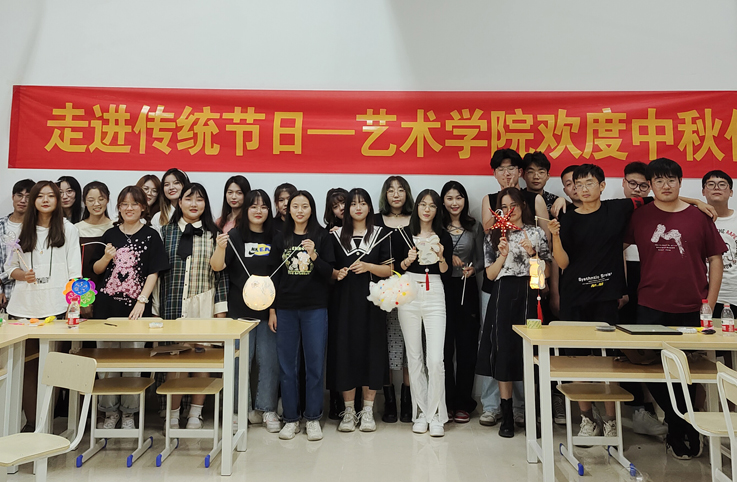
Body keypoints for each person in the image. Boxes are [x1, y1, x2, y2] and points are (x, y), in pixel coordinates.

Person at [625, 158, 726, 459]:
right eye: (659, 180)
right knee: (650, 368)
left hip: (692, 306)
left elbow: (716, 259)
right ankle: (679, 421)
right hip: (650, 305)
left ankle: (682, 426)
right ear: (650, 185)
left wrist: (709, 303)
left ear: (681, 182)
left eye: (671, 179)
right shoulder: (639, 216)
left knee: (687, 370)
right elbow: (613, 248)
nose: (666, 185)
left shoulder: (699, 217)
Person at [549, 164, 650, 439]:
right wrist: (555, 235)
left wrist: (696, 202)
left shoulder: (617, 208)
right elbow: (562, 263)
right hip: (574, 298)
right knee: (576, 360)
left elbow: (659, 199)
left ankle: (611, 420)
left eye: (589, 183)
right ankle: (587, 419)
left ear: (602, 185)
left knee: (608, 360)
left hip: (605, 298)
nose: (583, 189)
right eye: (578, 185)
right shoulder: (568, 218)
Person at [478, 149, 550, 428]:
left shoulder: (536, 233)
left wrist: (533, 255)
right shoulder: (493, 236)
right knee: (503, 350)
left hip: (530, 294)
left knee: (529, 351)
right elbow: (490, 274)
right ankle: (504, 413)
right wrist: (503, 254)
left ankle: (527, 410)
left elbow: (542, 275)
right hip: (502, 293)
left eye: (514, 204)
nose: (510, 210)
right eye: (504, 206)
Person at [5, 180, 81, 432]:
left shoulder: (68, 229)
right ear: (34, 201)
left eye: (51, 196)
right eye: (40, 196)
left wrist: (73, 306)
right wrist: (22, 275)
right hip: (23, 307)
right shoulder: (20, 230)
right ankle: (31, 423)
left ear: (58, 200)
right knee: (28, 366)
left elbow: (74, 270)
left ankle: (46, 422)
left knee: (53, 366)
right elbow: (9, 268)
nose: (46, 200)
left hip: (56, 306)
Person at [93, 185, 168, 429]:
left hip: (137, 309)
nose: (129, 208)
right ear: (118, 207)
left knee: (133, 362)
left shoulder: (151, 235)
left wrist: (142, 301)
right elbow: (97, 270)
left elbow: (154, 272)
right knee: (106, 362)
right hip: (106, 308)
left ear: (143, 207)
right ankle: (109, 412)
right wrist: (106, 257)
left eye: (134, 204)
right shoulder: (109, 234)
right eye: (124, 204)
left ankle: (128, 413)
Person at [159, 183, 228, 430]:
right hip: (173, 304)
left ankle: (195, 414)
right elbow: (157, 273)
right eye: (189, 199)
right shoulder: (165, 232)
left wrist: (221, 310)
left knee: (202, 361)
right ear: (179, 203)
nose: (194, 204)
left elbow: (221, 274)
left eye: (199, 200)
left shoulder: (214, 234)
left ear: (205, 204)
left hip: (204, 303)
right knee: (175, 361)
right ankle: (173, 414)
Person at [211, 189, 280, 433]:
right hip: (239, 310)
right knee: (239, 362)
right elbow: (217, 266)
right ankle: (236, 411)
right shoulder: (235, 235)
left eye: (264, 206)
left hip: (269, 312)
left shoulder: (277, 237)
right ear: (246, 209)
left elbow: (280, 276)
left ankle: (267, 409)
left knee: (269, 361)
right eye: (253, 206)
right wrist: (220, 248)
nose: (259, 211)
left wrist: (274, 310)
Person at [269, 190, 335, 441]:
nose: (299, 210)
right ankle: (291, 419)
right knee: (288, 366)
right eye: (294, 206)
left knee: (315, 365)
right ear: (288, 210)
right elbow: (273, 276)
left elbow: (329, 273)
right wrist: (272, 310)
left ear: (311, 209)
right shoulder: (281, 238)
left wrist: (314, 255)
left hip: (315, 308)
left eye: (304, 206)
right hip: (285, 308)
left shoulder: (322, 236)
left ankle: (313, 417)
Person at [331, 188, 392, 432]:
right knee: (345, 353)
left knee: (372, 352)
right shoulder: (335, 235)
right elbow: (329, 270)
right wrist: (338, 273)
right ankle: (348, 412)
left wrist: (368, 266)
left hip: (372, 304)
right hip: (344, 304)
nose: (358, 208)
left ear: (369, 207)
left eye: (363, 203)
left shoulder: (380, 234)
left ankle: (367, 411)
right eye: (353, 203)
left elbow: (389, 270)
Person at [395, 189, 453, 437]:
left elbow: (447, 271)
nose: (427, 209)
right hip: (409, 290)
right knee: (414, 357)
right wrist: (408, 261)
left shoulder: (444, 236)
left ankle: (437, 414)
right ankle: (420, 412)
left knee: (436, 359)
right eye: (423, 204)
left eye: (432, 205)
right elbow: (397, 268)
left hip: (435, 292)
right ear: (416, 207)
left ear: (437, 210)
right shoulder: (404, 234)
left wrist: (441, 257)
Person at [618, 161, 668, 438]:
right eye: (632, 183)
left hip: (653, 283)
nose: (637, 189)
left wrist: (697, 200)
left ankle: (661, 410)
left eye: (643, 185)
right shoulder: (613, 209)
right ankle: (638, 409)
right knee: (627, 348)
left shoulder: (655, 208)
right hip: (623, 285)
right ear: (623, 183)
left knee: (653, 347)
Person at [439, 181, 483, 424]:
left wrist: (473, 269)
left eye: (459, 197)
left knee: (467, 349)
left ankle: (464, 403)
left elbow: (482, 258)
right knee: (444, 349)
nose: (454, 203)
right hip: (443, 289)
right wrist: (448, 256)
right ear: (443, 201)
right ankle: (445, 401)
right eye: (449, 198)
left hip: (467, 288)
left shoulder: (474, 226)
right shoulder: (437, 226)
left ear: (464, 200)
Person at [374, 175, 415, 424]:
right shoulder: (375, 221)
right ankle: (389, 401)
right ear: (385, 195)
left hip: (413, 291)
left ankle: (407, 400)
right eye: (391, 190)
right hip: (384, 292)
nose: (396, 194)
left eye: (401, 190)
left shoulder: (417, 219)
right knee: (387, 346)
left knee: (411, 346)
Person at [323, 187, 351, 419]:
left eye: (344, 203)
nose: (341, 208)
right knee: (336, 349)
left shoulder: (366, 230)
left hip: (358, 295)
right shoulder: (326, 234)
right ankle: (335, 400)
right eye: (335, 205)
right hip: (334, 297)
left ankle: (355, 401)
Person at [76, 181, 114, 318]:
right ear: (84, 202)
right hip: (85, 292)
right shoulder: (76, 229)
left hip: (112, 293)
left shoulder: (116, 227)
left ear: (107, 200)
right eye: (91, 200)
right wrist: (82, 297)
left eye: (101, 199)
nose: (96, 204)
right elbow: (73, 266)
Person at [702, 170, 737, 315]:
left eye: (722, 184)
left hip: (733, 296)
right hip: (703, 297)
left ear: (731, 192)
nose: (716, 188)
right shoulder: (695, 220)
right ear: (703, 191)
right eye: (711, 184)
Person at [0, 178, 34, 310]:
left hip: (29, 293)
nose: (23, 200)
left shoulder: (37, 229)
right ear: (13, 197)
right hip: (4, 294)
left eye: (28, 197)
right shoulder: (1, 225)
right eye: (19, 195)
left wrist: (3, 277)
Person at [151, 168, 189, 233]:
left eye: (176, 183)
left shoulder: (194, 212)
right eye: (166, 184)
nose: (171, 187)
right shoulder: (158, 217)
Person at [522, 151, 558, 216]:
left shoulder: (555, 201)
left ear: (548, 176)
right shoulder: (517, 198)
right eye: (531, 172)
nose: (536, 177)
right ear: (523, 175)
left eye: (541, 172)